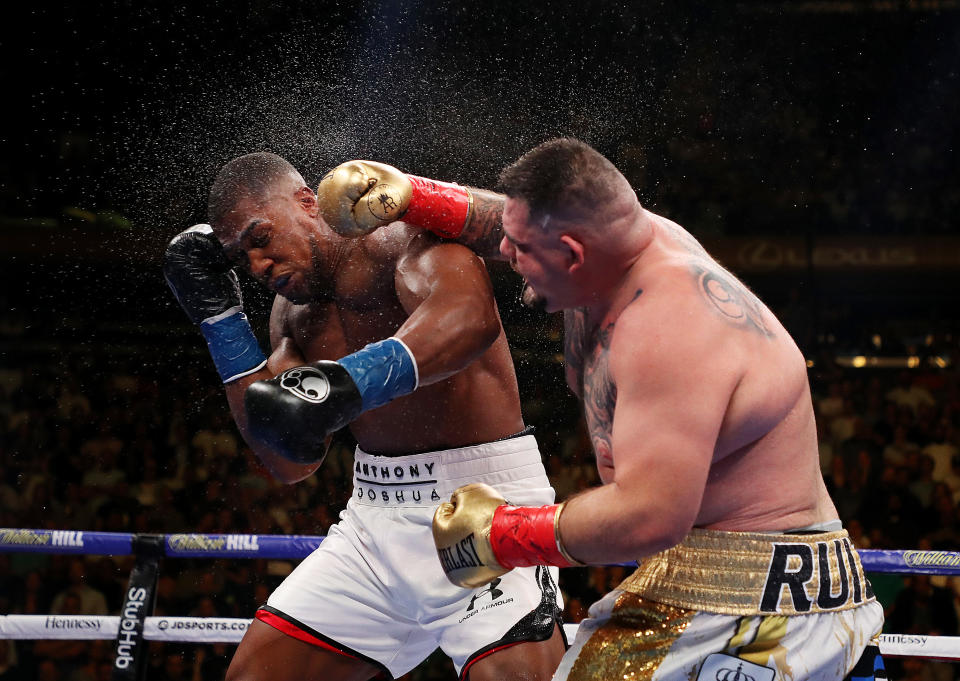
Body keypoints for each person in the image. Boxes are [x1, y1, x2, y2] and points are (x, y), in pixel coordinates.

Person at [320, 139, 886, 681]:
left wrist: (503, 535)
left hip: (760, 607)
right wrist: (415, 197)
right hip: (730, 579)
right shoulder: (618, 252)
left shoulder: (669, 326)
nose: (505, 255)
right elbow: (512, 226)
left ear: (571, 254)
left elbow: (650, 516)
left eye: (521, 251)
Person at [162, 152, 565, 681]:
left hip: (483, 505)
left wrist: (352, 382)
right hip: (374, 522)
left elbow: (470, 318)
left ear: (306, 203)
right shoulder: (291, 313)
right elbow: (286, 459)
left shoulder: (401, 241)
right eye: (242, 257)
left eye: (260, 238)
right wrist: (223, 325)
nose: (258, 265)